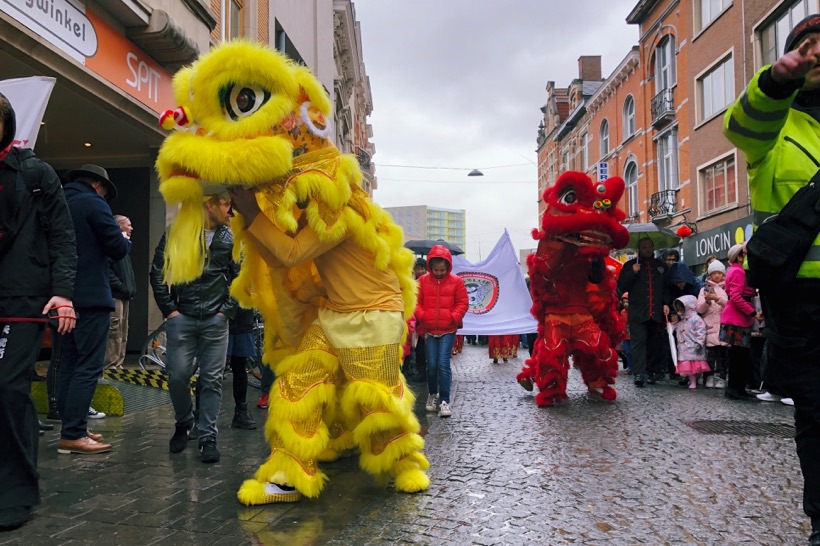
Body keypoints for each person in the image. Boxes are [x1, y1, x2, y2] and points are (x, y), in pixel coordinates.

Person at [724, 18, 820, 541]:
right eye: (808, 47)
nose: (817, 55)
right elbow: (742, 122)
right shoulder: (772, 128)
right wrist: (776, 81)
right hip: (801, 299)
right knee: (817, 413)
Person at [0, 93, 77, 530]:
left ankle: (17, 490)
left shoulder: (35, 173)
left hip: (23, 301)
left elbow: (64, 236)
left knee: (9, 390)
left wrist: (63, 293)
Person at [150, 194, 238, 463]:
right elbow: (157, 270)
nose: (230, 210)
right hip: (182, 317)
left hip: (215, 319)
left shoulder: (232, 238)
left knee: (212, 380)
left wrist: (226, 311)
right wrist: (170, 311)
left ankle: (207, 437)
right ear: (209, 204)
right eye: (226, 204)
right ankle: (184, 421)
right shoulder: (178, 232)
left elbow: (242, 277)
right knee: (177, 376)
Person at [58, 164, 131, 455]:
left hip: (63, 296)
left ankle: (71, 426)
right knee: (88, 366)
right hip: (91, 296)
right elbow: (117, 249)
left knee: (68, 364)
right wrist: (124, 239)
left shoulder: (60, 201)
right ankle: (74, 434)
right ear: (99, 185)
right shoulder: (94, 203)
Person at [415, 245, 468, 418]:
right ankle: (432, 395)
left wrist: (453, 317)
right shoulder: (422, 281)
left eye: (442, 270)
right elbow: (416, 302)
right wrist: (424, 316)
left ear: (448, 267)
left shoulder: (457, 281)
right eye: (436, 270)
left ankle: (445, 400)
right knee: (431, 365)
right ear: (430, 267)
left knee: (443, 364)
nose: (439, 273)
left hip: (448, 329)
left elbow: (463, 303)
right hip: (429, 329)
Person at [617, 237, 671, 387]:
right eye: (644, 247)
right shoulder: (629, 265)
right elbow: (621, 285)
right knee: (638, 343)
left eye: (649, 246)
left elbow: (666, 287)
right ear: (639, 249)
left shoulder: (661, 266)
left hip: (656, 311)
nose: (647, 249)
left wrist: (666, 303)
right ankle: (639, 373)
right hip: (638, 311)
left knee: (655, 343)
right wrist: (632, 273)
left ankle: (651, 371)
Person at [718, 244, 759, 400]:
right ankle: (735, 389)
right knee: (738, 356)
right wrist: (752, 312)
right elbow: (736, 297)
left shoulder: (737, 271)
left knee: (740, 355)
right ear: (740, 257)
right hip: (737, 319)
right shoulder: (738, 271)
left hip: (739, 318)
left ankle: (737, 388)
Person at [105, 215, 135, 370]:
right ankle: (110, 365)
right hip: (115, 295)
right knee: (114, 331)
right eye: (128, 225)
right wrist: (121, 287)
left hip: (124, 295)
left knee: (123, 330)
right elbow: (108, 271)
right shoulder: (112, 246)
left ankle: (118, 364)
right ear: (118, 227)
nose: (131, 228)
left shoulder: (125, 247)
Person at [696, 259, 729, 389]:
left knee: (723, 356)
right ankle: (708, 377)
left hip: (723, 327)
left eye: (719, 273)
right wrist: (707, 302)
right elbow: (699, 309)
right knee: (710, 356)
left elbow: (729, 306)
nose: (716, 276)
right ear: (709, 274)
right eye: (714, 273)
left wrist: (718, 299)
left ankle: (722, 377)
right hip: (709, 328)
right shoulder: (704, 289)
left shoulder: (727, 288)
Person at [227, 307, 257, 430]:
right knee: (209, 371)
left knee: (240, 368)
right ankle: (199, 418)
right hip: (218, 320)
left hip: (242, 321)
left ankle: (241, 412)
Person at [671, 296, 710, 389]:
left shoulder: (696, 319)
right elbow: (675, 328)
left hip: (693, 346)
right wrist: (670, 326)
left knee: (693, 367)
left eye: (681, 308)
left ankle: (694, 381)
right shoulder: (681, 320)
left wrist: (699, 342)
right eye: (678, 309)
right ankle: (692, 380)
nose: (679, 311)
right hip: (684, 347)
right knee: (689, 367)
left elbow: (701, 330)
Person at [617, 293, 632, 374]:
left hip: (632, 335)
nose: (625, 304)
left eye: (627, 302)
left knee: (633, 352)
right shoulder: (622, 312)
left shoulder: (634, 311)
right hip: (625, 335)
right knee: (627, 352)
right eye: (624, 302)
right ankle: (630, 367)